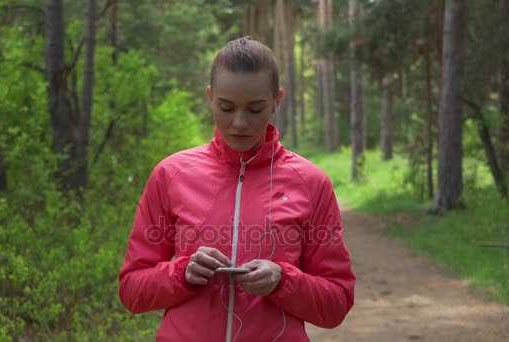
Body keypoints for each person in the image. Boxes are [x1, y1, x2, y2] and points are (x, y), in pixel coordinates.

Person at [118, 37, 355, 342]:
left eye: (255, 109)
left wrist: (283, 280)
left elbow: (336, 304)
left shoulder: (310, 182)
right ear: (209, 97)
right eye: (226, 108)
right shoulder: (171, 174)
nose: (239, 123)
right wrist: (183, 273)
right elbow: (132, 291)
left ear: (276, 101)